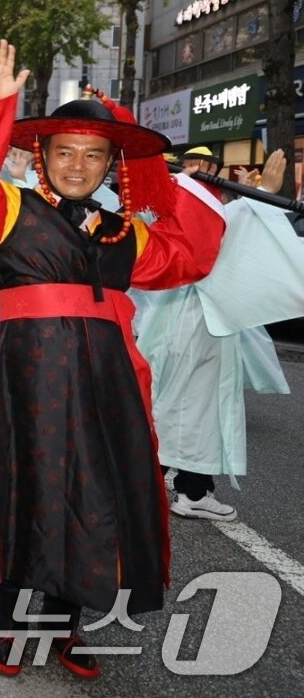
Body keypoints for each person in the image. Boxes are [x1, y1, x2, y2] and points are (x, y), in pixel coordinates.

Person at [0, 41, 226, 678]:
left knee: (92, 496)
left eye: (94, 155)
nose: (78, 165)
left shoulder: (126, 232)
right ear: (41, 156)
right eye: (65, 152)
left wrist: (178, 187)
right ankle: (11, 625)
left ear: (109, 166)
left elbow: (190, 257)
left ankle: (64, 625)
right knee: (23, 490)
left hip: (105, 378)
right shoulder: (9, 209)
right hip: (25, 374)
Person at [135, 149, 301, 521]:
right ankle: (172, 489)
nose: (204, 170)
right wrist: (265, 198)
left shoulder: (169, 202)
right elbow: (225, 241)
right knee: (187, 411)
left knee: (180, 409)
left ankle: (187, 488)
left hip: (181, 323)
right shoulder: (184, 205)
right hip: (196, 323)